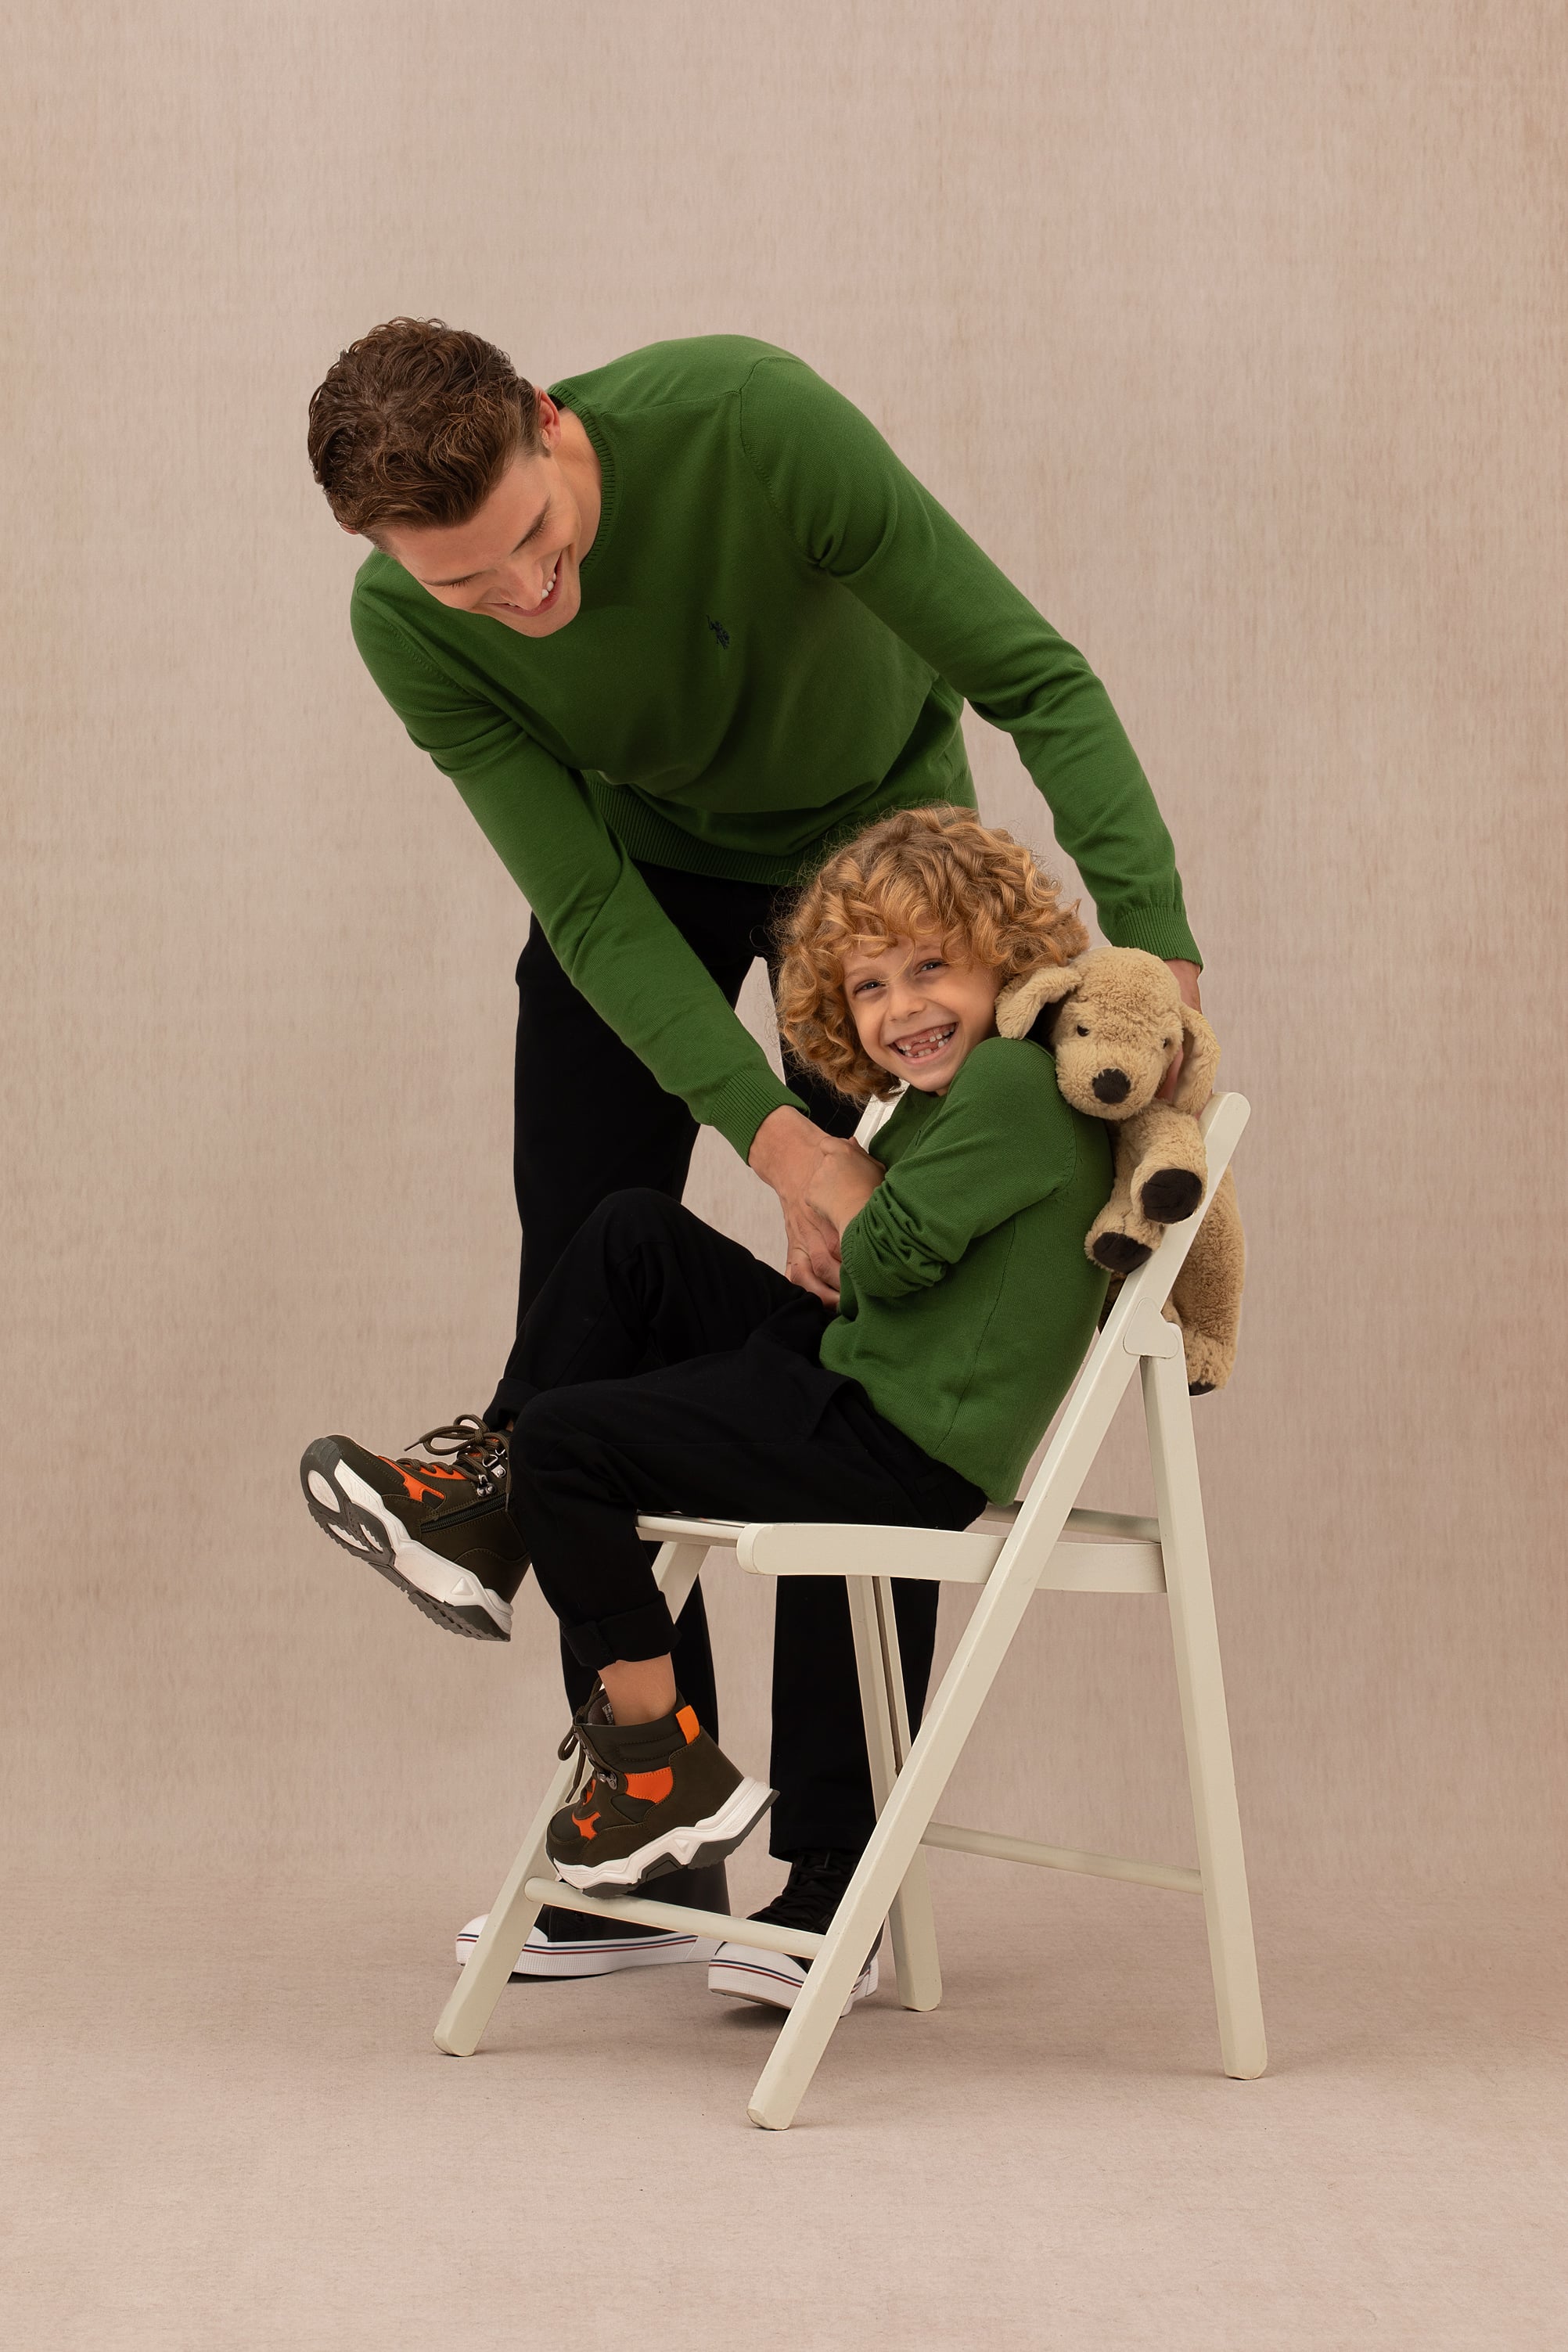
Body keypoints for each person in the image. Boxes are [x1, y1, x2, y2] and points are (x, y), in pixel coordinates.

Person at [303, 322, 1203, 1984]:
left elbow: (1037, 679)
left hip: (873, 854)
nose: (524, 598)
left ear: (551, 425)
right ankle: (645, 1818)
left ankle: (834, 1881)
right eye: (466, 584)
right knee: (589, 1272)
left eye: (534, 541)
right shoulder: (402, 624)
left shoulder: (752, 425)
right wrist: (781, 1144)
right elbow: (585, 903)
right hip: (640, 879)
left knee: (873, 1337)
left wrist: (1153, 951)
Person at [304, 807, 1114, 2010]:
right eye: (872, 985)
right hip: (852, 1375)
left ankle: (653, 1762)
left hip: (896, 1438)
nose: (902, 1008)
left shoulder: (1007, 1080)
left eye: (931, 966)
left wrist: (853, 1193)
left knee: (571, 1442)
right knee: (631, 1233)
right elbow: (880, 1261)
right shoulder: (941, 1096)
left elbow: (886, 1254)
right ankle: (484, 1496)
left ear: (1008, 952)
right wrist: (860, 1194)